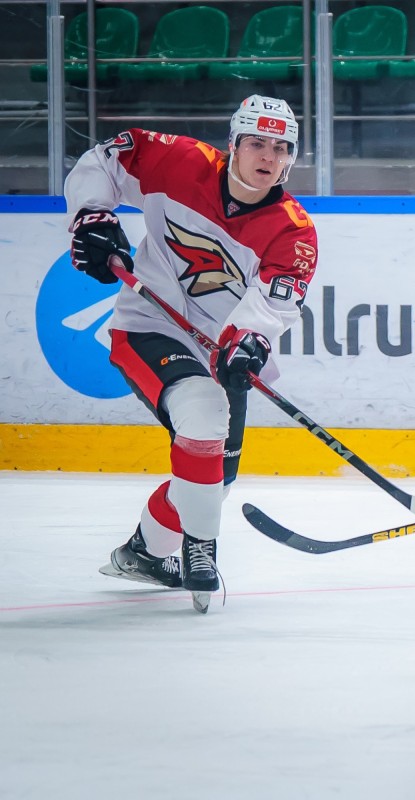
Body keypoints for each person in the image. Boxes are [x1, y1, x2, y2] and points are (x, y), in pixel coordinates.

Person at [67, 95, 318, 612]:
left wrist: (249, 341)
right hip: (148, 325)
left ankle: (144, 553)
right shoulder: (178, 160)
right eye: (256, 143)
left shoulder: (293, 231)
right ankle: (201, 548)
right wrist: (92, 214)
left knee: (213, 480)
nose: (267, 156)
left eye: (280, 148)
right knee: (203, 412)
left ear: (290, 159)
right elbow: (104, 161)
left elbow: (274, 305)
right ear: (234, 144)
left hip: (219, 353)